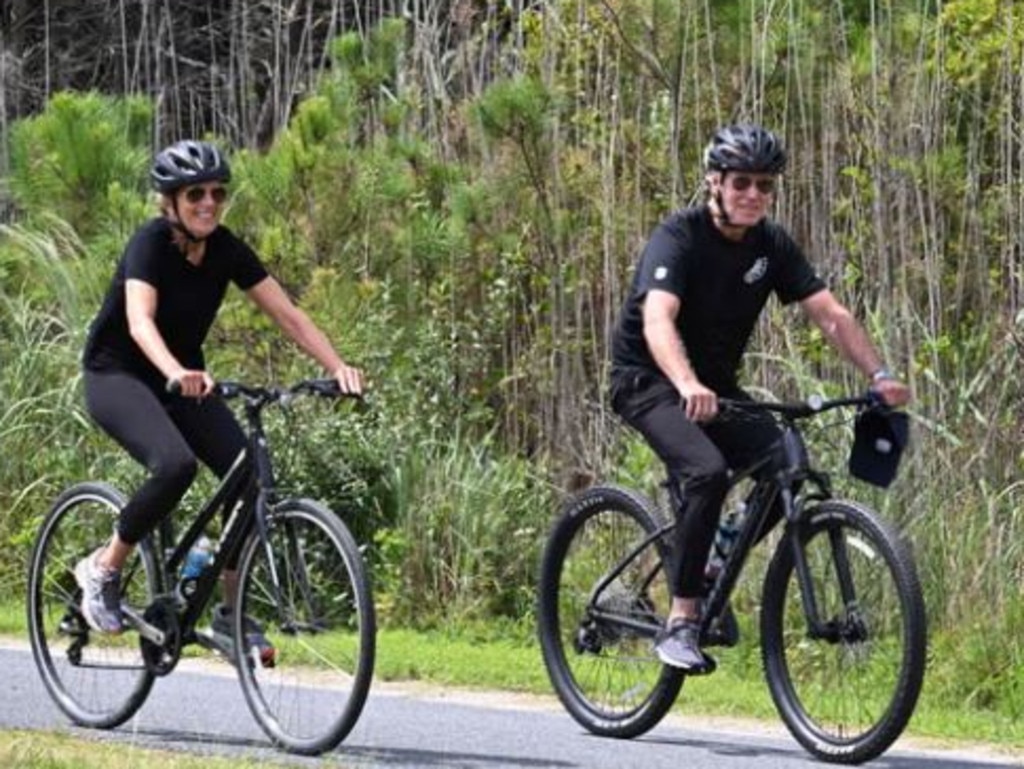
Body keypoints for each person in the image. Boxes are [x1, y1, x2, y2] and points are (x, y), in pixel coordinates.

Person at [609, 124, 910, 673]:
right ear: (714, 183)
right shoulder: (678, 237)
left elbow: (830, 315)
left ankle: (710, 563)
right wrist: (686, 383)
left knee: (783, 460)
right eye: (742, 182)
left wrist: (879, 373)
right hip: (648, 380)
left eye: (765, 186)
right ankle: (681, 620)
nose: (753, 195)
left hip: (714, 387)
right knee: (706, 471)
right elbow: (657, 319)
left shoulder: (770, 245)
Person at [76, 139, 364, 661]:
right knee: (175, 466)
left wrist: (337, 366)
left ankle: (230, 615)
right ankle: (104, 568)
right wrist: (176, 371)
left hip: (185, 379)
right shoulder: (149, 244)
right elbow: (140, 322)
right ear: (171, 203)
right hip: (118, 375)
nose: (208, 203)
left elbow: (289, 315)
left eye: (217, 193)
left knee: (248, 473)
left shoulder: (226, 249)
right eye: (195, 196)